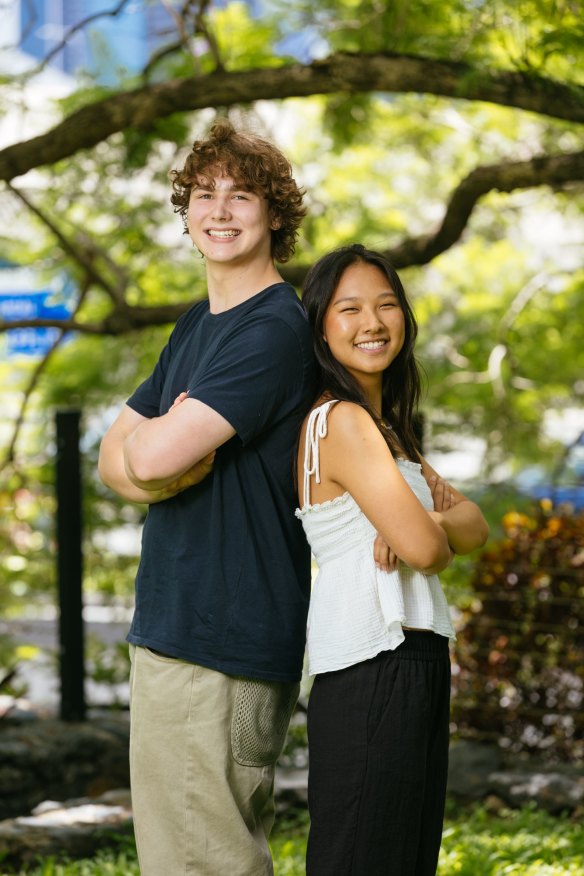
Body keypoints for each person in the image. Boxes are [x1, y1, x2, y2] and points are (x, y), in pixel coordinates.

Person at [98, 120, 316, 876]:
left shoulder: (273, 329)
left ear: (276, 215)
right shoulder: (200, 323)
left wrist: (156, 459)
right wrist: (158, 460)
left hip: (222, 634)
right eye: (203, 193)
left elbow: (148, 454)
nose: (219, 210)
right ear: (185, 210)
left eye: (242, 194)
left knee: (202, 861)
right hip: (180, 628)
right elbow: (113, 461)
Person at [296, 244, 489, 876]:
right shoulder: (340, 421)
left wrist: (430, 520)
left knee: (406, 857)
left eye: (385, 305)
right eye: (349, 309)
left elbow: (472, 526)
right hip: (372, 661)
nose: (372, 323)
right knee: (363, 856)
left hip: (416, 654)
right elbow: (430, 553)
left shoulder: (390, 431)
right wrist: (428, 531)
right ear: (321, 325)